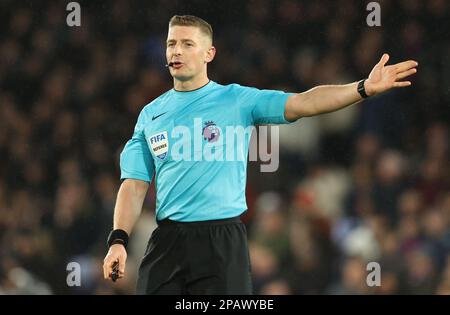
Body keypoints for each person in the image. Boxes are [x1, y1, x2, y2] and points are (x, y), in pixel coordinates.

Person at [102, 15, 418, 295]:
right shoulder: (151, 114)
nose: (176, 51)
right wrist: (118, 241)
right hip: (167, 242)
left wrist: (362, 88)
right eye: (171, 43)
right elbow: (133, 185)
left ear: (209, 53)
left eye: (187, 43)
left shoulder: (237, 100)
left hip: (222, 240)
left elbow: (303, 103)